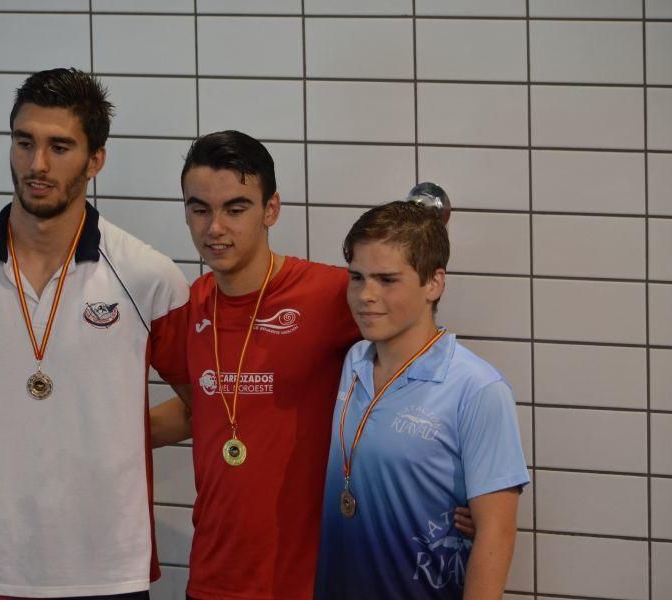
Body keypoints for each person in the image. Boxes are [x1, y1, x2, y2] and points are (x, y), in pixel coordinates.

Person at [0, 68, 190, 599]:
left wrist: (112, 433)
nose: (38, 165)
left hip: (111, 563)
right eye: (24, 142)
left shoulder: (148, 275)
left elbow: (200, 401)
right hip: (3, 563)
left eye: (60, 146)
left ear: (96, 159)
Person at [150, 131, 474, 599]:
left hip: (310, 580)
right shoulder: (191, 305)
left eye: (235, 209)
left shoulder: (327, 295)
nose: (215, 227)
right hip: (214, 577)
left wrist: (462, 488)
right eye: (199, 209)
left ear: (271, 210)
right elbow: (199, 409)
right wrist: (100, 446)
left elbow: (421, 364)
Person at [314, 201, 529, 599]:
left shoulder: (477, 388)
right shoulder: (354, 361)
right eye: (357, 277)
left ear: (434, 283)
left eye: (387, 279)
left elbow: (496, 532)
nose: (366, 295)